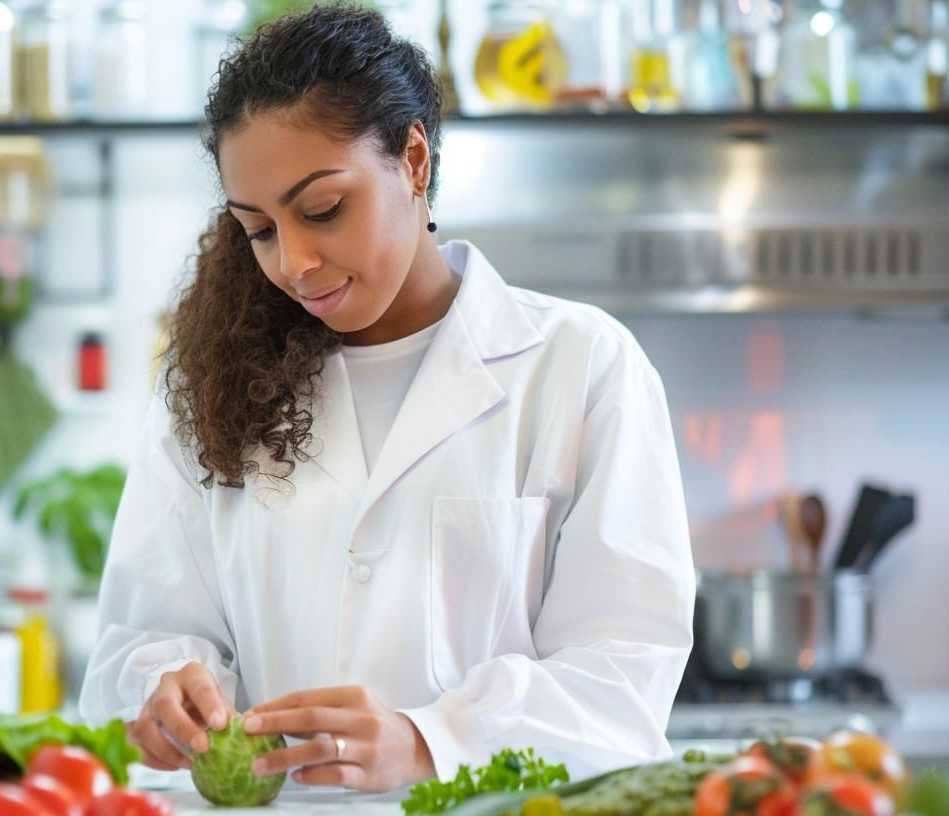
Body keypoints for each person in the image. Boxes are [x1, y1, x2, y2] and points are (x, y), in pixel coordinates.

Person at [80, 4, 694, 794]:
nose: (295, 263)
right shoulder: (209, 390)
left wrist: (429, 742)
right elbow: (144, 640)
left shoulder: (580, 367)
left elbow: (623, 674)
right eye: (258, 230)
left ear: (411, 160)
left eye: (323, 209)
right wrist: (162, 694)